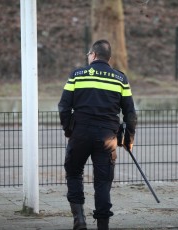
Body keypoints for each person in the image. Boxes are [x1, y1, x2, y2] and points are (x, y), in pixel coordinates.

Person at [58, 40, 137, 230]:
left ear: (93, 55)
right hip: (108, 137)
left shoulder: (77, 75)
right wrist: (128, 140)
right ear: (108, 58)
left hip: (80, 133)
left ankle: (79, 220)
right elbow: (130, 114)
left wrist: (69, 130)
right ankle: (103, 225)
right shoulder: (120, 79)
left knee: (74, 173)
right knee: (103, 181)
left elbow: (63, 107)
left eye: (88, 54)